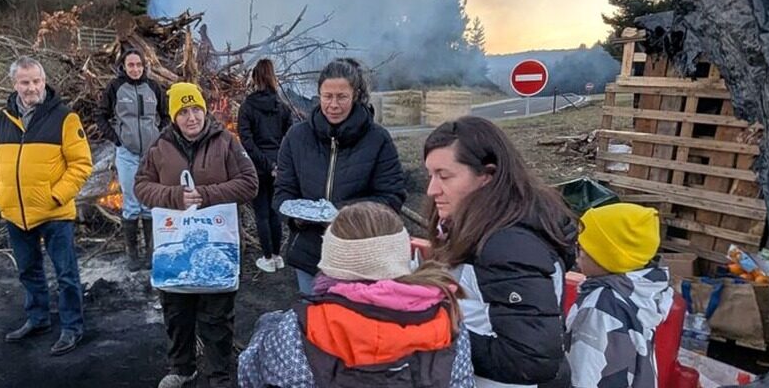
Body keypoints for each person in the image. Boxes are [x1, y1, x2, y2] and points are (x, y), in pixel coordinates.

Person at [238, 202, 476, 388]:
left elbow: (249, 374)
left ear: (332, 259)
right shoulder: (449, 321)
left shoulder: (298, 327)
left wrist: (266, 327)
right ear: (402, 254)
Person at [422, 116, 577, 387]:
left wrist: (431, 334)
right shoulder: (479, 229)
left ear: (486, 176)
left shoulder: (507, 245)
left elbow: (530, 358)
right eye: (430, 175)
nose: (431, 189)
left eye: (444, 176)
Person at [135, 82, 258, 388]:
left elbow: (249, 183)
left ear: (204, 110)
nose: (192, 117)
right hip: (174, 244)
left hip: (218, 242)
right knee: (176, 311)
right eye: (183, 112)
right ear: (173, 116)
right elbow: (141, 186)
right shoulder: (159, 146)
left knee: (217, 315)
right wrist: (175, 196)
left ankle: (219, 374)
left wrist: (206, 194)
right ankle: (182, 367)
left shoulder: (226, 141)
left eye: (196, 110)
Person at [0, 56, 93, 354]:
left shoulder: (64, 118)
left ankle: (72, 327)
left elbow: (82, 164)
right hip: (15, 213)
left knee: (66, 274)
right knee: (28, 270)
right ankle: (38, 318)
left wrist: (57, 195)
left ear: (44, 82)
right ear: (14, 84)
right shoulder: (2, 120)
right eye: (25, 82)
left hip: (54, 213)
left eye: (36, 81)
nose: (31, 87)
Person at [275, 58, 406, 294]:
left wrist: (339, 212)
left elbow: (392, 197)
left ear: (355, 95)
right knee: (314, 324)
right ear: (319, 95)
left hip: (361, 256)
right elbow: (282, 193)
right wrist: (296, 217)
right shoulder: (296, 137)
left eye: (341, 97)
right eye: (327, 96)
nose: (333, 104)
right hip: (310, 254)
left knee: (355, 326)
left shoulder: (378, 140)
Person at [567, 204, 673, 388]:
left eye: (581, 248)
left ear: (607, 257)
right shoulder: (642, 294)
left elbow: (583, 374)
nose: (577, 257)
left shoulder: (601, 306)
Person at [95, 48, 169, 272]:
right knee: (131, 202)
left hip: (150, 153)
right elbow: (100, 115)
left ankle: (150, 253)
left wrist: (159, 136)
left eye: (138, 65)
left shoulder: (153, 87)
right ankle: (132, 255)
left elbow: (166, 115)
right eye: (131, 65)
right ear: (124, 67)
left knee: (148, 202)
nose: (135, 69)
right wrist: (116, 140)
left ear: (144, 66)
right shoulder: (115, 87)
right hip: (126, 153)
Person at [237, 58, 294, 273]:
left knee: (261, 212)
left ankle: (268, 257)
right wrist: (278, 164)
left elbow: (246, 140)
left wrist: (264, 163)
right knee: (274, 212)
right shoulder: (284, 108)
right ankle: (278, 256)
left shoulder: (247, 107)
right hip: (278, 167)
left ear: (254, 78)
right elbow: (290, 138)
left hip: (257, 167)